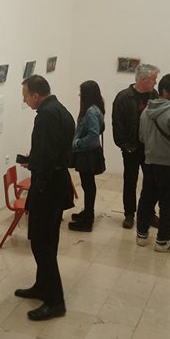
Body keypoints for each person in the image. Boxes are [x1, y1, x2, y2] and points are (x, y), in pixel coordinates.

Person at [15, 75, 75, 320]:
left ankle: (55, 301)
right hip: (57, 181)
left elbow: (49, 155)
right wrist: (35, 159)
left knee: (43, 244)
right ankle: (42, 286)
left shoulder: (46, 116)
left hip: (48, 186)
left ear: (36, 96)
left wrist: (36, 170)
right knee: (46, 240)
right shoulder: (60, 110)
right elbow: (55, 150)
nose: (25, 101)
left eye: (25, 96)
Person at [136, 73, 170, 252]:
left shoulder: (146, 111)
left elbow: (141, 137)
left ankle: (141, 235)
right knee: (169, 205)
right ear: (165, 91)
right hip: (169, 165)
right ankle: (162, 242)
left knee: (146, 200)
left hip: (150, 163)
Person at [112, 63, 159, 229]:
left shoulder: (154, 95)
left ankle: (149, 213)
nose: (155, 82)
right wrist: (124, 145)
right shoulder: (124, 97)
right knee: (130, 182)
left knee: (151, 182)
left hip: (149, 148)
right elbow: (117, 124)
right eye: (153, 79)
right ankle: (129, 214)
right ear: (144, 79)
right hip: (131, 148)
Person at [69, 80, 105, 233]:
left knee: (88, 185)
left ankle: (88, 220)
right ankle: (87, 212)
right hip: (90, 152)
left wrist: (78, 143)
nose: (80, 95)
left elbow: (93, 134)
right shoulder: (97, 108)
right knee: (88, 185)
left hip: (87, 153)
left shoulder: (90, 111)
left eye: (82, 93)